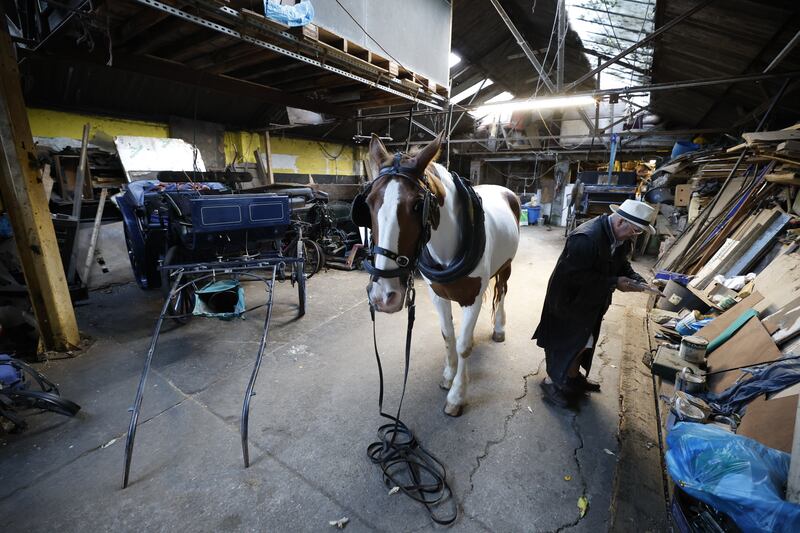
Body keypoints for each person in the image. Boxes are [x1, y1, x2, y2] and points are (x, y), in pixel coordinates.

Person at [533, 199, 658, 408]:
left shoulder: (620, 238)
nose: (634, 235)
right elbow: (574, 277)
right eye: (635, 231)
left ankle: (571, 377)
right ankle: (551, 382)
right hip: (568, 300)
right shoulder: (586, 238)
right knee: (564, 342)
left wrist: (637, 280)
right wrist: (614, 282)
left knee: (584, 341)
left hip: (592, 300)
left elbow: (622, 264)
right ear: (620, 223)